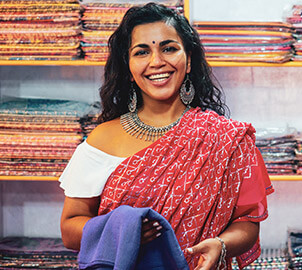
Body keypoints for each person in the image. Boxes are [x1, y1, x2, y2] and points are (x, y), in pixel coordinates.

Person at [59, 2, 273, 270]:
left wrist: (222, 244)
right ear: (128, 66)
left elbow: (247, 223)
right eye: (141, 52)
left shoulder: (228, 138)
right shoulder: (102, 139)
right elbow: (70, 229)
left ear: (189, 58)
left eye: (169, 48)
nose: (156, 62)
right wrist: (123, 228)